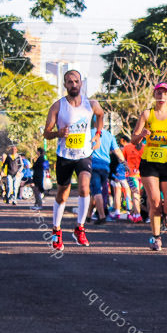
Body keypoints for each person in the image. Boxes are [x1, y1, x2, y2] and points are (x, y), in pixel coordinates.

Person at [42, 69, 104, 251]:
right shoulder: (57, 106)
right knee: (63, 193)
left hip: (84, 154)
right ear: (65, 85)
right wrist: (58, 133)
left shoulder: (91, 104)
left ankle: (80, 227)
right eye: (70, 82)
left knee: (85, 187)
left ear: (81, 83)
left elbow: (100, 115)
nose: (73, 84)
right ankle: (56, 230)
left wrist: (98, 134)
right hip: (64, 156)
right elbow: (46, 133)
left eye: (76, 81)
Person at [132, 83, 167, 251]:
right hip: (150, 162)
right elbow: (133, 139)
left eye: (165, 93)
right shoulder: (146, 114)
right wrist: (141, 135)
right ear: (154, 94)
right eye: (158, 92)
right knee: (154, 201)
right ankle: (156, 237)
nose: (161, 95)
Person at [88, 123, 124, 225]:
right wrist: (124, 163)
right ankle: (88, 215)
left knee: (96, 191)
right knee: (96, 191)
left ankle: (102, 216)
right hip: (105, 168)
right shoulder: (109, 135)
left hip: (93, 166)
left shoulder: (89, 133)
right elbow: (117, 151)